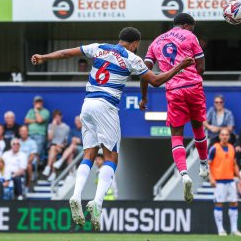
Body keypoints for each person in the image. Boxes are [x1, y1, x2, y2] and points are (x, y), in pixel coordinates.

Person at [31, 26, 193, 231]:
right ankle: (97, 202)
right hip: (106, 106)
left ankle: (76, 195)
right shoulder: (132, 58)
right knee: (111, 157)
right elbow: (156, 81)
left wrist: (43, 57)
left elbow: (65, 53)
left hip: (87, 105)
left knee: (88, 154)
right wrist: (180, 65)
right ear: (135, 43)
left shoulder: (98, 48)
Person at [143, 13, 209, 203]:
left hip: (174, 90)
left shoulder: (155, 43)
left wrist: (144, 94)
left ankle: (184, 174)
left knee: (176, 135)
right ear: (187, 25)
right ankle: (203, 164)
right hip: (193, 87)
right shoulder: (189, 36)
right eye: (192, 27)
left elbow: (145, 70)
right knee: (198, 127)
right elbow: (201, 67)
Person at [208, 128, 241, 236]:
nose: (224, 136)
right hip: (219, 181)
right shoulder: (214, 148)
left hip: (230, 179)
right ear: (219, 136)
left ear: (229, 136)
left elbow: (235, 164)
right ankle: (220, 230)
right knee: (219, 203)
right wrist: (211, 178)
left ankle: (234, 229)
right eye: (222, 134)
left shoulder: (232, 148)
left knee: (234, 202)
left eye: (226, 135)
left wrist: (240, 178)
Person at [42, 110, 70, 182]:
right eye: (55, 117)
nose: (57, 118)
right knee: (53, 149)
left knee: (53, 149)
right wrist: (54, 126)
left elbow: (66, 141)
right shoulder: (50, 126)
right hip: (51, 146)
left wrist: (61, 145)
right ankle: (53, 172)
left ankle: (49, 168)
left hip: (61, 147)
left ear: (61, 117)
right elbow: (50, 138)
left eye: (58, 116)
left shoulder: (66, 127)